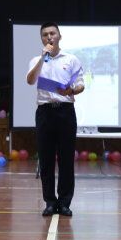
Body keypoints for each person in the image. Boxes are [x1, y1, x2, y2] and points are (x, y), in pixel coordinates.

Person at [26, 23, 84, 217]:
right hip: (45, 112)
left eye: (52, 33)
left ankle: (65, 203)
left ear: (59, 36)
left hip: (65, 112)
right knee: (46, 159)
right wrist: (42, 58)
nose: (49, 37)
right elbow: (30, 80)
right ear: (41, 39)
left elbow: (81, 84)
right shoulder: (36, 60)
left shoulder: (71, 59)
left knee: (66, 159)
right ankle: (50, 202)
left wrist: (71, 90)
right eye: (45, 34)